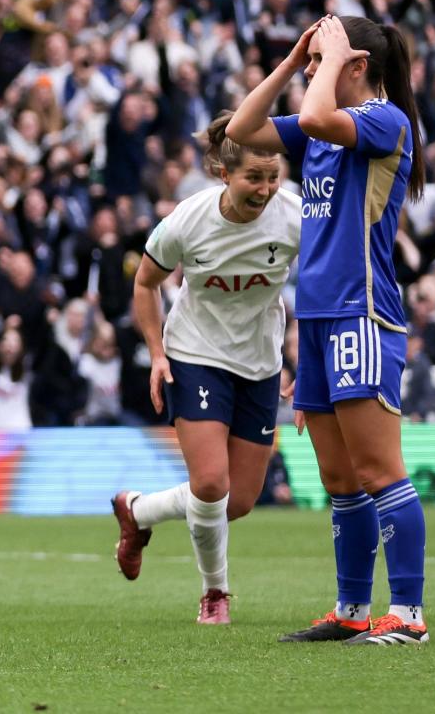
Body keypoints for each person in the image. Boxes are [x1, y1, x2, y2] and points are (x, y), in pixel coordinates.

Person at [227, 14, 429, 645]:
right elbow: (241, 130)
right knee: (341, 481)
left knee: (379, 470)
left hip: (360, 313)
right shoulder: (323, 129)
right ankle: (350, 611)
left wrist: (332, 55)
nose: (311, 73)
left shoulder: (382, 120)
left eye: (322, 62)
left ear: (357, 66)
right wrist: (291, 62)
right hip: (315, 320)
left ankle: (410, 616)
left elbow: (315, 118)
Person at [114, 111, 300, 624]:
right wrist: (156, 353)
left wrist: (306, 360)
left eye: (272, 177)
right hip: (195, 354)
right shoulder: (188, 220)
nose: (264, 189)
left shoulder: (295, 215)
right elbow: (145, 284)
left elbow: (327, 282)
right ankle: (215, 593)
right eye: (253, 178)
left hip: (260, 361)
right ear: (224, 173)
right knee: (212, 483)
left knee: (237, 501)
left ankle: (138, 510)